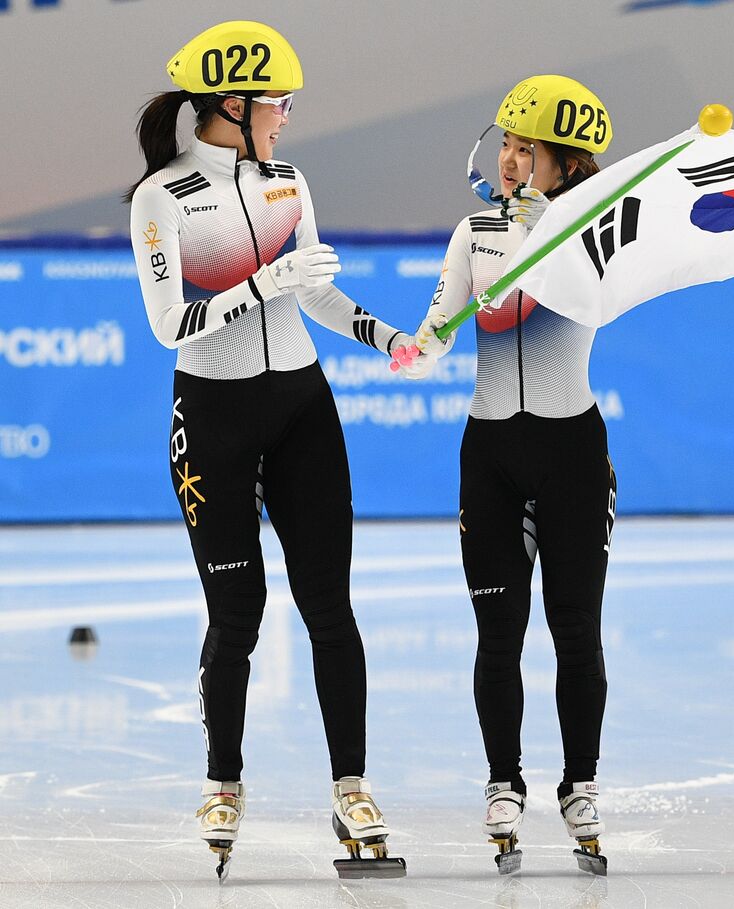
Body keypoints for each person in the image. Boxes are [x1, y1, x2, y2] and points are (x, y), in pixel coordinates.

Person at [125, 20, 417, 881]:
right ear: (235, 105)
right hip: (211, 414)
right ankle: (223, 781)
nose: (288, 118)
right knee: (237, 613)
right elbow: (165, 323)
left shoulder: (290, 181)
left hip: (301, 407)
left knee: (330, 605)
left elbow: (315, 292)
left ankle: (352, 784)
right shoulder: (164, 198)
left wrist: (383, 333)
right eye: (279, 103)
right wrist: (259, 283)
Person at [405, 74, 616, 876]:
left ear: (567, 166)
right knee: (499, 634)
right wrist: (417, 350)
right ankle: (504, 781)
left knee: (575, 629)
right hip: (490, 452)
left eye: (530, 151)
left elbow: (619, 282)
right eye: (506, 144)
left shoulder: (597, 232)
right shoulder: (472, 231)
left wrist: (557, 233)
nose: (511, 161)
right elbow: (438, 325)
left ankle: (581, 783)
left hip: (572, 454)